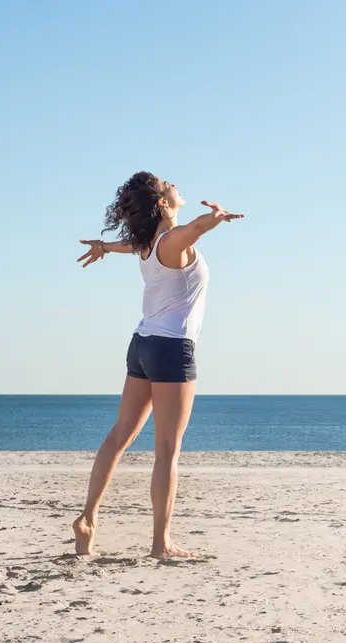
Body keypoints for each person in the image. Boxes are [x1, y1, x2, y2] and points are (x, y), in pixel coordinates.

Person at [72, 171, 243, 558]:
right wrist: (215, 217)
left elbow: (128, 245)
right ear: (163, 203)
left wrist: (103, 246)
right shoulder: (170, 241)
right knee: (167, 450)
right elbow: (193, 230)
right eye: (169, 185)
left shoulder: (147, 245)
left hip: (142, 345)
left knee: (119, 436)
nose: (176, 185)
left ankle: (88, 518)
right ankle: (160, 544)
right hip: (171, 349)